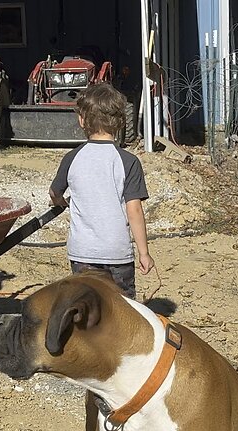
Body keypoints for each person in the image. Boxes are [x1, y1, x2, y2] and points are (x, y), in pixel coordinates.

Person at [49, 83, 153, 299]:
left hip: (82, 254)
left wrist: (59, 201)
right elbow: (134, 210)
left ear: (82, 120)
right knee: (123, 311)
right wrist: (144, 253)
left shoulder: (72, 158)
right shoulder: (128, 162)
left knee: (87, 308)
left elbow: (54, 192)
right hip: (118, 255)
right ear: (120, 121)